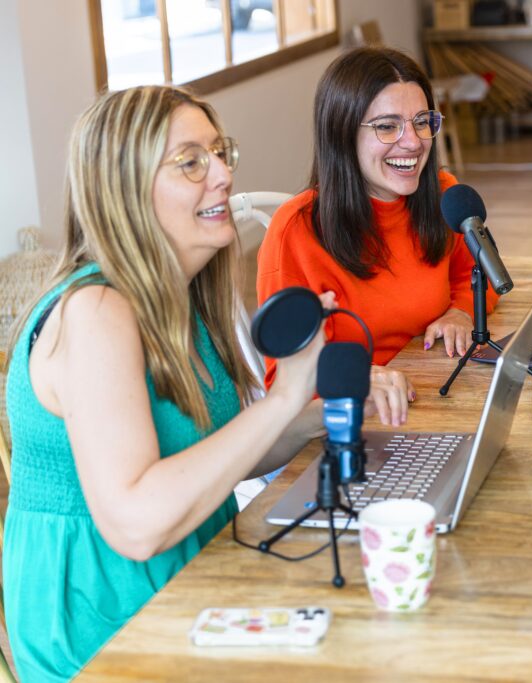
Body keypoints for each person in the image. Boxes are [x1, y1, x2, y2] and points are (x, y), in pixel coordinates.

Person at [2, 85, 369, 682]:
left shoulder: (181, 297)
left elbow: (212, 457)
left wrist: (319, 411)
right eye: (191, 162)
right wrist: (279, 399)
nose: (222, 174)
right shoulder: (96, 311)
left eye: (220, 153)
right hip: (107, 635)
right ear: (125, 190)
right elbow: (138, 524)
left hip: (195, 583)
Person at [257, 47, 499, 407]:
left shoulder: (445, 195)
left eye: (422, 122)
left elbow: (478, 274)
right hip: (350, 421)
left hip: (432, 394)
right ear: (342, 134)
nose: (414, 142)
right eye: (387, 126)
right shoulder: (296, 231)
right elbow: (285, 379)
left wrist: (461, 311)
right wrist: (353, 377)